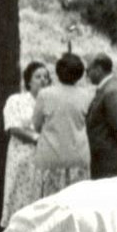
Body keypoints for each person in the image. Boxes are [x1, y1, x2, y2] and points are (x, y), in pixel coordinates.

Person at [32, 52, 91, 197]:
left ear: (58, 72)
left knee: (49, 205)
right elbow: (88, 124)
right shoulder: (86, 96)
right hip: (78, 158)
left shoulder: (45, 95)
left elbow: (36, 125)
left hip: (51, 157)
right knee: (76, 203)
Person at [1, 60, 51, 226]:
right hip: (22, 157)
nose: (43, 80)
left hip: (44, 159)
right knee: (20, 198)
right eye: (38, 77)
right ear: (29, 81)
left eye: (46, 77)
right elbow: (13, 127)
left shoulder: (51, 103)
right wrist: (37, 138)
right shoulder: (16, 101)